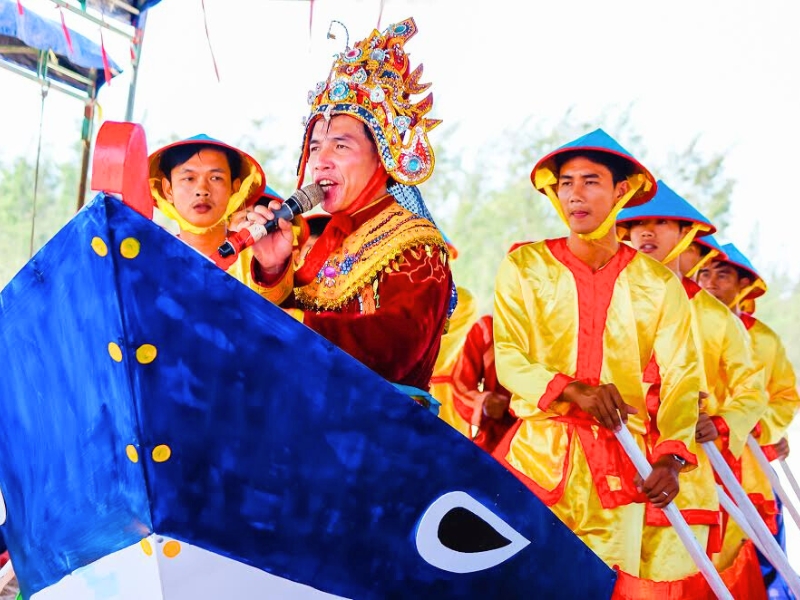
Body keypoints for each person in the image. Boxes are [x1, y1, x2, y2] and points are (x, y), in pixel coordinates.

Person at [493, 128, 703, 583]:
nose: (575, 194)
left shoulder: (658, 285)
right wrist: (573, 390)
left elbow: (682, 376)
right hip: (535, 462)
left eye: (591, 182)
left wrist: (670, 458)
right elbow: (508, 357)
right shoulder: (524, 267)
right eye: (566, 183)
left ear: (621, 191)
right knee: (516, 585)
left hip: (621, 469)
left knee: (607, 588)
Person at [241, 18, 453, 402]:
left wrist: (294, 327)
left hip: (379, 430)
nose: (320, 161)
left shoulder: (416, 245)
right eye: (315, 147)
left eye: (340, 146)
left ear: (383, 155)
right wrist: (274, 269)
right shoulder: (326, 237)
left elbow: (396, 347)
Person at [618, 182, 767, 594]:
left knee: (675, 588)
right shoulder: (609, 298)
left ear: (686, 233)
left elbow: (753, 391)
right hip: (613, 472)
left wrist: (720, 423)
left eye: (660, 223)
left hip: (686, 477)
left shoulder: (717, 318)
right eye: (638, 224)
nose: (647, 232)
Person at [698, 243, 800, 596]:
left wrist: (757, 427)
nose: (710, 283)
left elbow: (785, 395)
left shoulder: (764, 339)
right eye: (704, 273)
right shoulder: (685, 323)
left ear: (744, 284)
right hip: (698, 459)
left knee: (762, 557)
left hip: (751, 465)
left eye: (722, 275)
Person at [148, 135, 286, 301]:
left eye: (215, 178)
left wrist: (271, 271)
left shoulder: (261, 259)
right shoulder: (151, 260)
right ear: (168, 190)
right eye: (189, 178)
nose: (202, 190)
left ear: (235, 188)